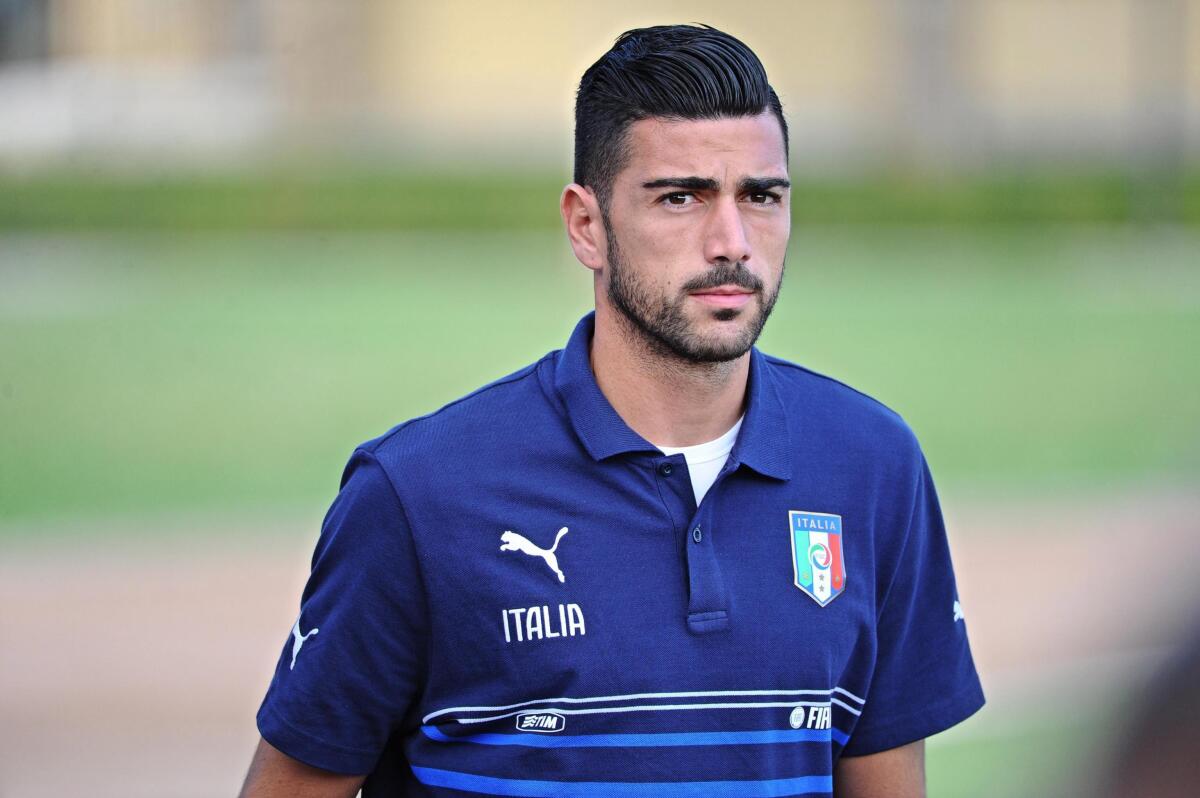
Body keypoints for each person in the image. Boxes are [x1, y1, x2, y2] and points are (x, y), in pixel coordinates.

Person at [239, 24, 984, 798]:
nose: (731, 241)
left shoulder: (872, 466)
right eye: (680, 197)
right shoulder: (418, 494)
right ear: (587, 225)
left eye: (759, 196)